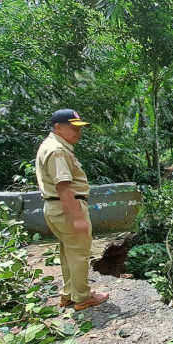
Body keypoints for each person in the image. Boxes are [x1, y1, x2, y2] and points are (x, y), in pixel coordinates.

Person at [35, 109, 109, 311]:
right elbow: (63, 187)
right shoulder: (57, 150)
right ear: (58, 127)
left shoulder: (52, 146)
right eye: (73, 127)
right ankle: (83, 298)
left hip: (56, 207)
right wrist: (78, 217)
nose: (78, 132)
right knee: (79, 253)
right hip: (67, 206)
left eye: (79, 128)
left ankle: (69, 294)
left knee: (68, 253)